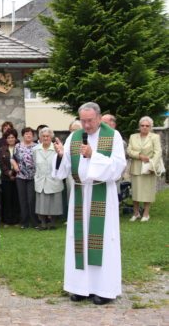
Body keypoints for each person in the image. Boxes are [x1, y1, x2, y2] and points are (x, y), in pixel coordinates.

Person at [53, 102, 126, 305]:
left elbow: (118, 166)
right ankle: (80, 288)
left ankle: (104, 290)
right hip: (79, 194)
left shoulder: (113, 136)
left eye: (90, 121)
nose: (85, 126)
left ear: (99, 117)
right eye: (82, 121)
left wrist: (94, 156)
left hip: (101, 192)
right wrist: (60, 155)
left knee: (102, 241)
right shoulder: (74, 137)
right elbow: (65, 167)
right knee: (79, 241)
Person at [127, 116, 162, 222]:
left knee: (147, 192)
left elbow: (158, 152)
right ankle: (136, 213)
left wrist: (152, 166)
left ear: (151, 127)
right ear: (139, 126)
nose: (144, 127)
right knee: (136, 192)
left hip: (149, 168)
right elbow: (129, 151)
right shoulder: (133, 136)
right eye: (142, 125)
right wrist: (139, 155)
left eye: (147, 126)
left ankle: (146, 214)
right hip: (136, 167)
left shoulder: (155, 137)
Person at [33, 127, 63, 230]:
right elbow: (34, 163)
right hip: (40, 179)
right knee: (41, 203)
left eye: (48, 136)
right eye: (43, 136)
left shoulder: (56, 148)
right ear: (40, 137)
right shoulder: (35, 149)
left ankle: (53, 223)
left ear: (51, 137)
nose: (45, 138)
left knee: (54, 203)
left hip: (53, 178)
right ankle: (43, 223)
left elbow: (62, 162)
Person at [12, 127, 38, 229]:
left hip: (33, 176)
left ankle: (35, 221)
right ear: (23, 135)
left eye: (30, 134)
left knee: (31, 199)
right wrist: (15, 166)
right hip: (21, 176)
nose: (28, 135)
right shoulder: (17, 146)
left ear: (33, 135)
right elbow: (12, 158)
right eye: (26, 134)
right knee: (22, 199)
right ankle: (24, 222)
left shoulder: (37, 146)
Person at [0, 128, 20, 226]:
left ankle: (16, 220)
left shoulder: (19, 148)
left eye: (12, 137)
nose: (11, 139)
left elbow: (21, 161)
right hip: (6, 178)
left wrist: (14, 173)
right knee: (7, 199)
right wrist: (9, 173)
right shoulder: (2, 149)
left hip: (18, 177)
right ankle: (7, 220)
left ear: (15, 138)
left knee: (16, 199)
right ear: (6, 139)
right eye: (9, 137)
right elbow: (1, 164)